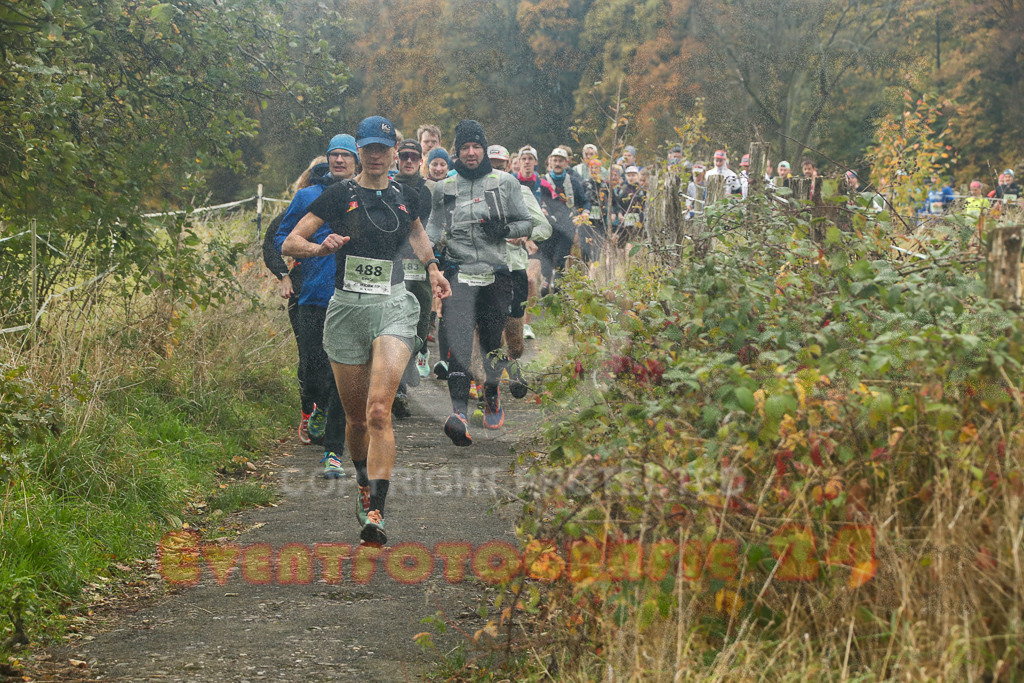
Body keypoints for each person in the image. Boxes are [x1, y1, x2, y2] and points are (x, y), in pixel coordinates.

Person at [283, 115, 451, 546]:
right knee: (356, 419)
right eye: (368, 148)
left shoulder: (407, 196)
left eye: (383, 147)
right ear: (359, 151)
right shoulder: (339, 195)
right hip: (347, 311)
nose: (376, 155)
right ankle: (362, 481)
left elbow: (417, 235)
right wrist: (321, 247)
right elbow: (290, 244)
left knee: (379, 410)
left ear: (395, 152)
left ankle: (377, 508)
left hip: (393, 307)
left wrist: (433, 269)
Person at [426, 120, 535, 445]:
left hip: (496, 274)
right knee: (458, 343)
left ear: (484, 149)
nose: (471, 153)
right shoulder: (444, 187)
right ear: (457, 152)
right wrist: (425, 251)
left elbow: (526, 221)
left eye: (476, 147)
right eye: (464, 148)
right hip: (458, 272)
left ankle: (491, 393)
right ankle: (458, 413)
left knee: (490, 344)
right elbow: (433, 227)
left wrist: (504, 230)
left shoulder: (505, 182)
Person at [274, 136, 357, 478]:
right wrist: (314, 247)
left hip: (350, 294)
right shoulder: (308, 196)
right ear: (328, 159)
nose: (339, 160)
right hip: (312, 295)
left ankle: (331, 425)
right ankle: (315, 405)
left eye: (345, 156)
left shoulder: (365, 197)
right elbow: (281, 239)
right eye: (334, 155)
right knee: (311, 366)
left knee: (341, 367)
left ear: (357, 161)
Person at [262, 156, 323, 440]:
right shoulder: (300, 205)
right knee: (309, 355)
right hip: (302, 287)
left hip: (336, 288)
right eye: (320, 175)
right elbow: (271, 242)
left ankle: (332, 414)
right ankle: (307, 413)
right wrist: (283, 275)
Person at [488, 144, 551, 397]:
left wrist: (525, 233)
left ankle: (512, 363)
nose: (495, 171)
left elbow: (544, 228)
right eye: (490, 166)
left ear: (508, 167)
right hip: (484, 268)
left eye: (500, 167)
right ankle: (487, 382)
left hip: (514, 268)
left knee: (514, 339)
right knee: (487, 326)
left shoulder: (521, 191)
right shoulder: (471, 191)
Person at [394, 139, 435, 399]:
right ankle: (397, 388)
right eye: (404, 156)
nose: (409, 161)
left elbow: (423, 229)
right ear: (397, 158)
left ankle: (410, 361)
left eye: (414, 157)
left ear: (421, 161)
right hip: (394, 265)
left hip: (420, 265)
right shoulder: (388, 186)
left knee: (420, 326)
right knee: (395, 322)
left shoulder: (425, 191)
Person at [537, 146, 591, 288]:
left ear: (566, 163)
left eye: (561, 161)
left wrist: (585, 212)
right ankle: (547, 279)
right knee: (546, 254)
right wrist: (541, 208)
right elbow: (536, 199)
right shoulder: (543, 181)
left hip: (567, 225)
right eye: (555, 160)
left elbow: (584, 201)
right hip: (548, 225)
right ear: (550, 162)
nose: (557, 163)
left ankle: (558, 285)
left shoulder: (573, 182)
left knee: (562, 256)